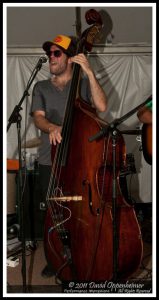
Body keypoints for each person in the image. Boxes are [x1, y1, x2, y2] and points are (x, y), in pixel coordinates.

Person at [30, 34, 107, 278]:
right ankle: (55, 259)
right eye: (49, 53)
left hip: (80, 162)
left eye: (56, 53)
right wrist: (52, 127)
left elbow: (102, 107)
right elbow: (38, 118)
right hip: (49, 160)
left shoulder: (83, 84)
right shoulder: (41, 87)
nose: (50, 58)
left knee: (81, 213)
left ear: (70, 58)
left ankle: (83, 256)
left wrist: (90, 73)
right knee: (53, 212)